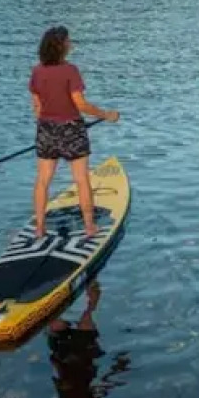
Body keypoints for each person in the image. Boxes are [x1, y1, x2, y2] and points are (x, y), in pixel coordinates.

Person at [30, 26, 119, 240]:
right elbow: (80, 104)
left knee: (43, 180)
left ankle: (39, 228)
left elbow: (37, 108)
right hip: (72, 129)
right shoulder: (70, 70)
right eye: (68, 41)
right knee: (81, 179)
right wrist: (106, 114)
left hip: (46, 129)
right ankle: (89, 227)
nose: (71, 44)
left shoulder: (37, 71)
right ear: (61, 46)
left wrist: (50, 124)